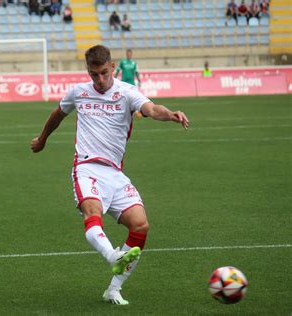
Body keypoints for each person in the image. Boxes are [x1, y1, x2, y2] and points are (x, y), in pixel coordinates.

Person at [30, 45, 189, 305]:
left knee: (140, 225)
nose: (100, 80)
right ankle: (112, 256)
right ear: (88, 72)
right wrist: (42, 139)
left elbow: (150, 108)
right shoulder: (79, 92)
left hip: (115, 174)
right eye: (95, 75)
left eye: (104, 73)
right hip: (86, 167)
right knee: (92, 213)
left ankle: (113, 289)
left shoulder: (127, 92)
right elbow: (58, 114)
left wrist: (170, 115)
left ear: (113, 67)